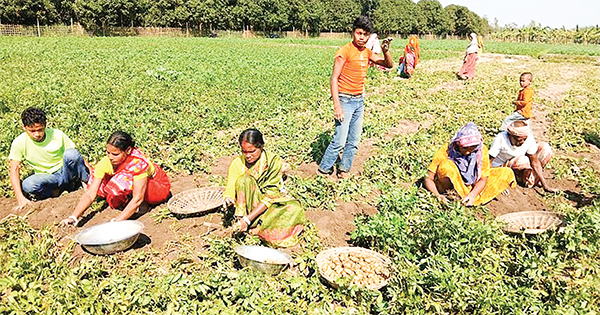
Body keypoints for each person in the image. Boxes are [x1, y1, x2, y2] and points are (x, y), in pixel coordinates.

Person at [317, 15, 394, 179]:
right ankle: (323, 169)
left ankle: (344, 169)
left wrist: (386, 51)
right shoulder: (344, 51)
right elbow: (334, 78)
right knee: (339, 140)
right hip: (344, 100)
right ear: (353, 32)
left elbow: (388, 65)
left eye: (366, 35)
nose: (362, 37)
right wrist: (337, 105)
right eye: (359, 33)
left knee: (354, 140)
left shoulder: (367, 52)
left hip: (359, 100)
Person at [62, 131, 171, 225]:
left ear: (128, 151)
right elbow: (90, 193)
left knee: (122, 182)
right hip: (136, 184)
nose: (110, 157)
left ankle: (143, 205)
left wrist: (117, 221)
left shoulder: (137, 164)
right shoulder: (105, 163)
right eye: (108, 152)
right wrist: (74, 217)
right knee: (105, 187)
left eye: (115, 154)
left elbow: (138, 198)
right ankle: (128, 199)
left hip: (156, 187)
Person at [223, 129, 306, 247]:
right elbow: (231, 185)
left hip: (267, 204)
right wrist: (228, 198)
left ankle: (253, 228)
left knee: (294, 208)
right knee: (244, 180)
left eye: (252, 151)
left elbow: (270, 195)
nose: (248, 156)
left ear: (261, 147)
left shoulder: (272, 161)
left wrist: (248, 219)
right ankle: (243, 225)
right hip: (247, 205)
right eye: (244, 152)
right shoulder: (237, 163)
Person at [9, 107, 90, 211]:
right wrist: (20, 198)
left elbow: (76, 156)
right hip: (48, 178)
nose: (37, 134)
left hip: (65, 172)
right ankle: (55, 192)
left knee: (71, 153)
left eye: (40, 129)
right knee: (28, 184)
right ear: (24, 127)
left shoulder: (57, 134)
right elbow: (14, 170)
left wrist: (92, 173)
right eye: (32, 131)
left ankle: (84, 184)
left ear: (45, 125)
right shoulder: (19, 142)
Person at [424, 122, 516, 206]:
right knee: (446, 166)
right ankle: (452, 195)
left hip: (473, 186)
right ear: (457, 144)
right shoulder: (448, 149)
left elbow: (483, 178)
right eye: (464, 148)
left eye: (472, 149)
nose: (468, 152)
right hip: (453, 184)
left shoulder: (481, 150)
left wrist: (472, 194)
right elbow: (428, 177)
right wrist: (437, 196)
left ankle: (469, 198)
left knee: (505, 172)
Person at [489, 120, 557, 192]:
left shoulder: (528, 137)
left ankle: (531, 178)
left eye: (524, 139)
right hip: (502, 168)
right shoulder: (501, 138)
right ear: (510, 135)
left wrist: (545, 186)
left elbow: (535, 162)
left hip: (521, 164)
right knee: (523, 160)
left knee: (545, 149)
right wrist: (495, 180)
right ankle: (519, 179)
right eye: (519, 140)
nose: (522, 142)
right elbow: (489, 161)